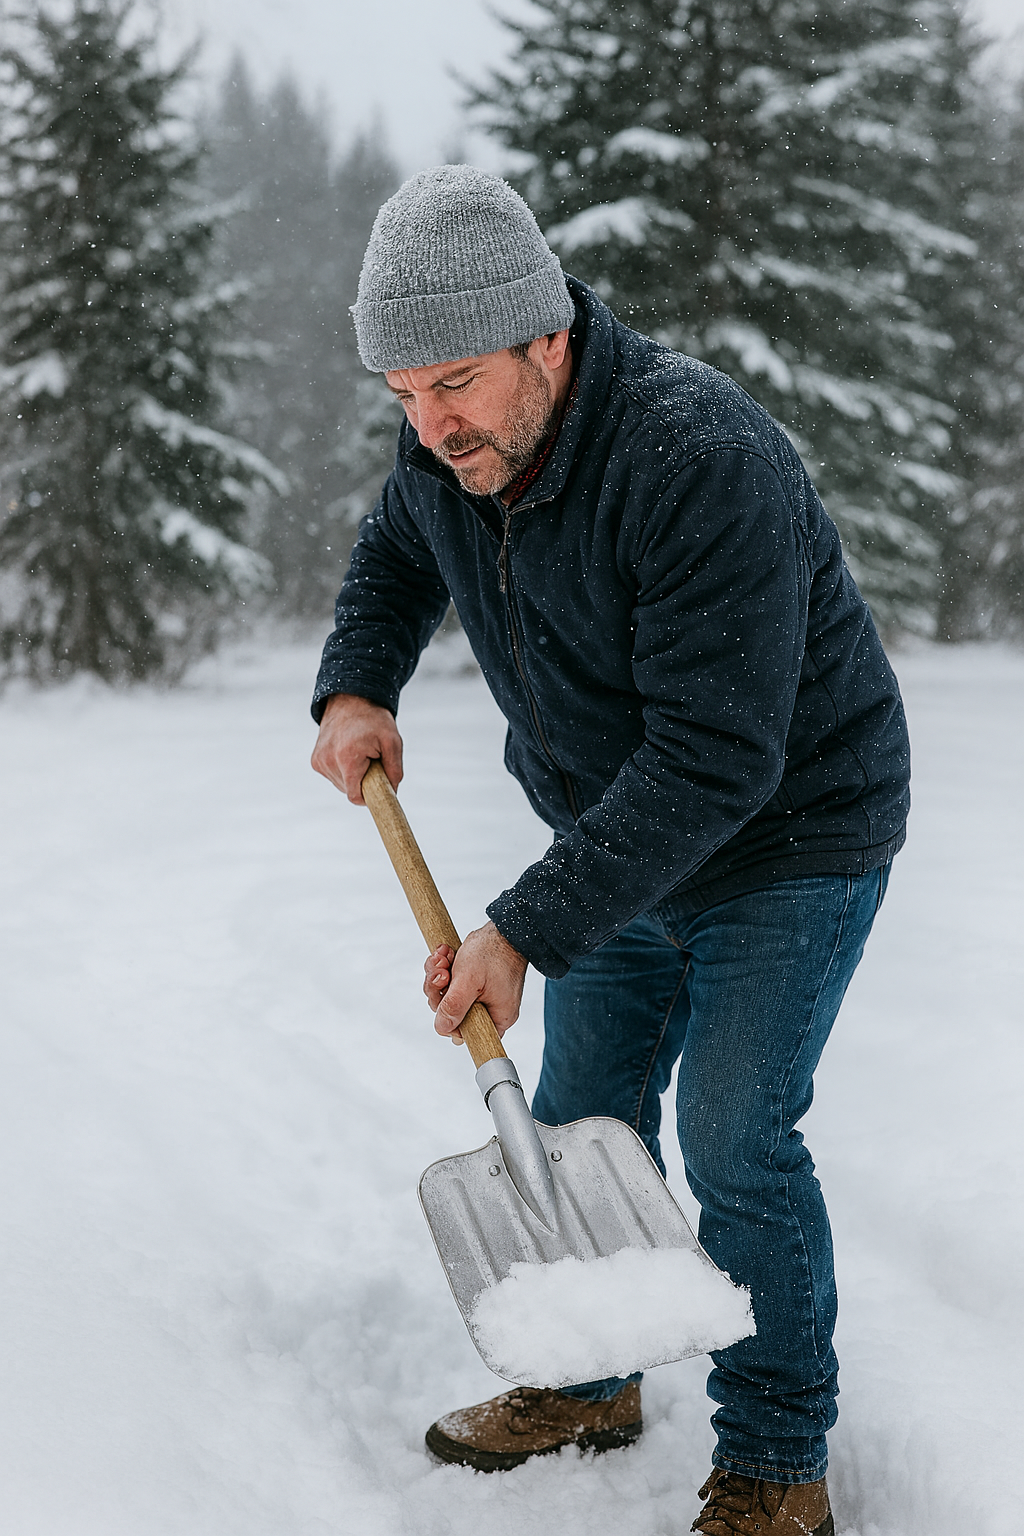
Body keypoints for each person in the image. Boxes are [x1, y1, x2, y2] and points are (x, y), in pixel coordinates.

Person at [310, 165, 909, 1536]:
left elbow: (718, 759)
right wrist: (357, 687)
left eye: (453, 383)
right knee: (584, 1117)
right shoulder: (451, 453)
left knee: (735, 1137)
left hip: (789, 838)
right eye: (402, 394)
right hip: (620, 837)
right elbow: (395, 553)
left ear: (547, 337)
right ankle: (590, 1380)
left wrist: (523, 929)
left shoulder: (699, 458)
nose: (430, 425)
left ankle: (777, 1462)